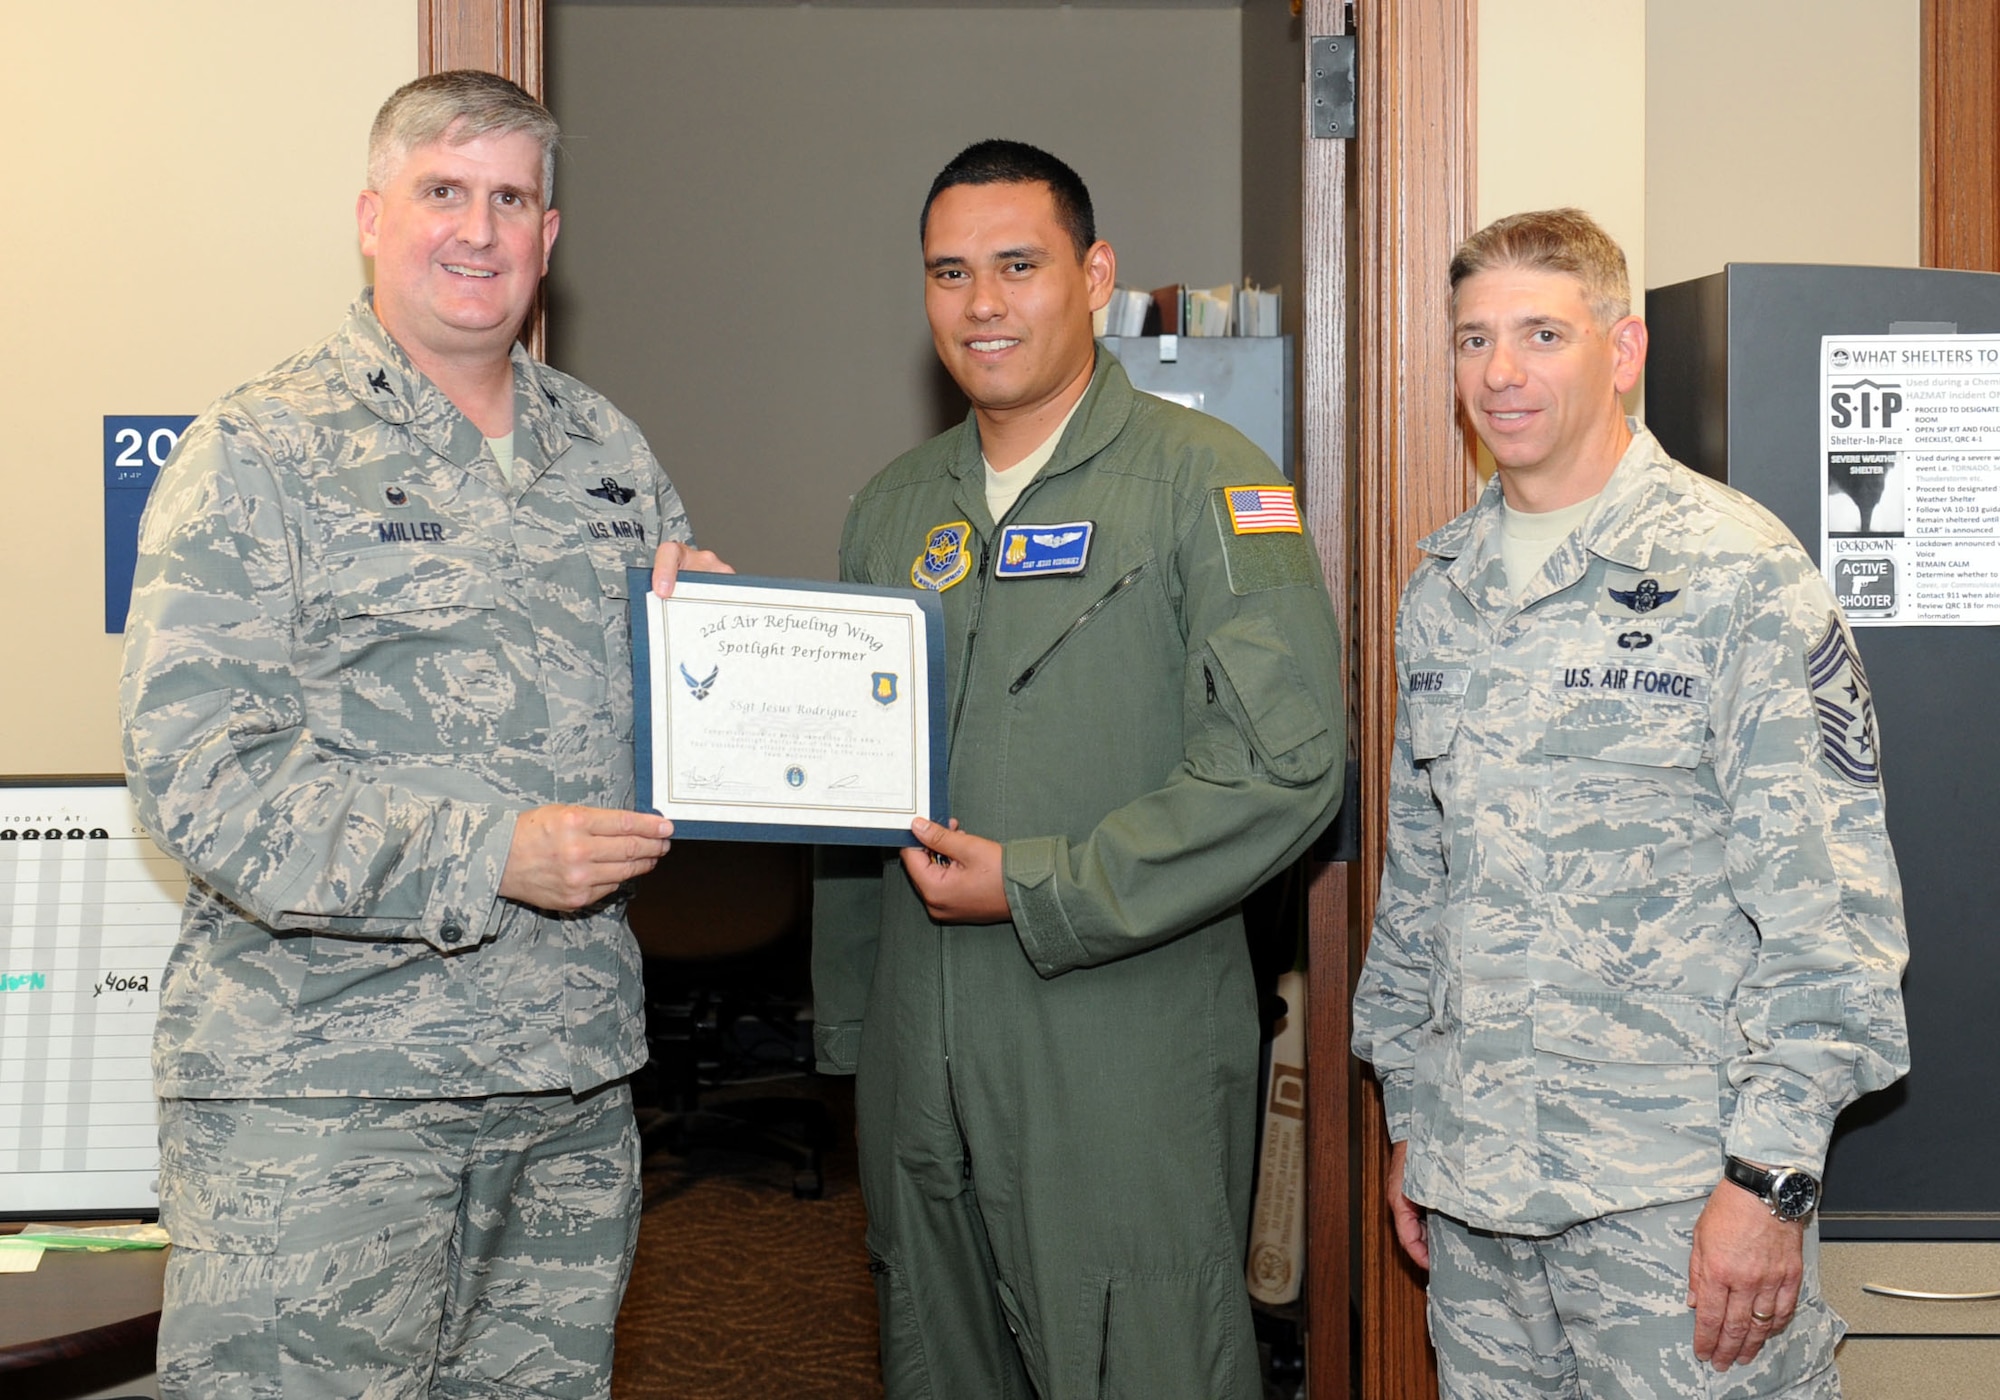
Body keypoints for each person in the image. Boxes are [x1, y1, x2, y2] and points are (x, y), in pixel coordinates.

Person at [119, 71, 725, 1399]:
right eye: (443, 191)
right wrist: (488, 854)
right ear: (371, 216)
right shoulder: (258, 451)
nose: (479, 228)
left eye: (512, 197)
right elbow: (206, 780)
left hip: (565, 1095)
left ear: (549, 235)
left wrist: (721, 663)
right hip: (327, 1103)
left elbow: (654, 745)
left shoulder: (609, 455)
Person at [813, 139, 1345, 1399]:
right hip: (918, 1065)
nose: (981, 304)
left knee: (1141, 1355)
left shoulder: (1207, 481)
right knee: (936, 1358)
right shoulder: (892, 509)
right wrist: (851, 1032)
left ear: (1093, 274)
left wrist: (1041, 884)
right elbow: (840, 790)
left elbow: (1285, 771)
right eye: (949, 272)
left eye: (1017, 265)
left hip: (1119, 1050)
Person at [1351, 208, 1910, 1397]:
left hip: (1673, 1207)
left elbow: (1836, 918)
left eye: (1539, 333)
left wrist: (1767, 1184)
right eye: (1470, 339)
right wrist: (1412, 1112)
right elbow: (1419, 887)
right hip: (1476, 1196)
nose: (1498, 372)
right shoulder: (1439, 590)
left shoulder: (1735, 573)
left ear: (1620, 349)